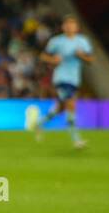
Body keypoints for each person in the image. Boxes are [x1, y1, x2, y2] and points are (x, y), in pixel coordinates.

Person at [29, 15, 93, 148]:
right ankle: (76, 140)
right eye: (67, 24)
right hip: (61, 78)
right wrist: (52, 60)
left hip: (75, 79)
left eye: (72, 25)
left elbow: (91, 60)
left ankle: (39, 124)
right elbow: (43, 55)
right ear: (63, 27)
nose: (70, 27)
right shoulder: (56, 41)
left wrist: (82, 56)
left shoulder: (82, 41)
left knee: (61, 108)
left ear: (77, 28)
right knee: (71, 104)